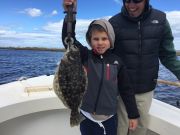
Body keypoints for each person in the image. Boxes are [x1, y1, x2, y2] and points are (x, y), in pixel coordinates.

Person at [62, 0, 140, 135]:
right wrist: (71, 13)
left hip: (109, 118)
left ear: (110, 40)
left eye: (104, 39)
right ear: (90, 41)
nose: (100, 43)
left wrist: (133, 115)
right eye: (95, 39)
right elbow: (69, 38)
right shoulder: (85, 56)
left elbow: (126, 90)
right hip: (86, 116)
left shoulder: (117, 62)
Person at [109, 0, 180, 135]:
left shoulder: (161, 20)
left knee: (139, 130)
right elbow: (104, 56)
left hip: (145, 90)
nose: (131, 6)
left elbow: (168, 55)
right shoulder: (114, 23)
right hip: (119, 90)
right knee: (119, 129)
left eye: (136, 1)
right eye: (127, 1)